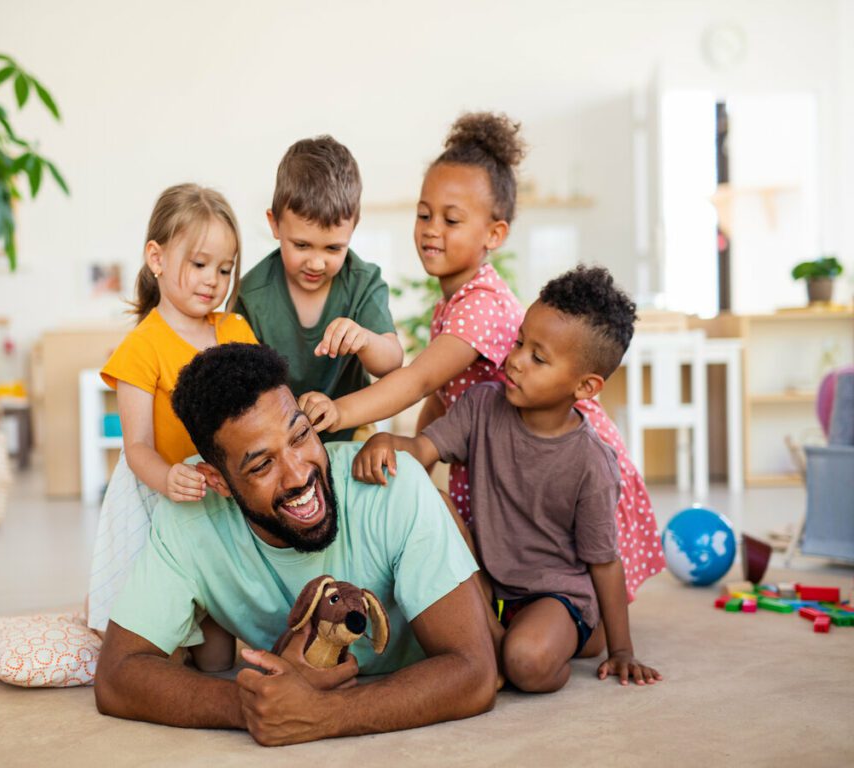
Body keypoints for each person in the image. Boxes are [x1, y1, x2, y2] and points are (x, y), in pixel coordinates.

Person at [300, 112, 664, 599]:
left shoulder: (481, 306)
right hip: (504, 449)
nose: (432, 230)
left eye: (451, 220)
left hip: (551, 453)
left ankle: (587, 619)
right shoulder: (454, 301)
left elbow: (419, 381)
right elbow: (442, 401)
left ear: (494, 234)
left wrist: (339, 410)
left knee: (571, 575)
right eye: (424, 214)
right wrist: (418, 461)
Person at [93, 343, 496, 746]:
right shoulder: (190, 517)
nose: (298, 475)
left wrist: (323, 713)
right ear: (218, 481)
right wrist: (251, 704)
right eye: (262, 465)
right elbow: (117, 675)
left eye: (300, 436)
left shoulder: (393, 484)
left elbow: (474, 672)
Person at [352, 266, 663, 691]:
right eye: (519, 342)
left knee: (526, 662)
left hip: (555, 595)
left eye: (538, 358)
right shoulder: (481, 405)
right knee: (436, 503)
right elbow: (423, 449)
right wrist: (387, 441)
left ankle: (575, 635)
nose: (514, 360)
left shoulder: (592, 462)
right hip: (489, 584)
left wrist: (622, 650)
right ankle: (499, 637)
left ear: (585, 387)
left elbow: (603, 561)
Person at [86, 185, 258, 633]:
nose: (213, 280)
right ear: (156, 259)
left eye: (224, 269)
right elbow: (137, 447)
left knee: (216, 651)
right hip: (164, 497)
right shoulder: (142, 346)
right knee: (163, 638)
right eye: (199, 264)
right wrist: (168, 478)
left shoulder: (236, 330)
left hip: (224, 499)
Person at [236, 136, 404, 441]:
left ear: (353, 227)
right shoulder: (251, 295)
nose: (316, 263)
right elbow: (240, 386)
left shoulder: (362, 282)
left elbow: (392, 362)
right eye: (301, 245)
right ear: (275, 224)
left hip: (351, 431)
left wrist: (365, 339)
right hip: (277, 437)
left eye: (333, 248)